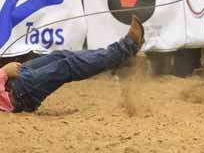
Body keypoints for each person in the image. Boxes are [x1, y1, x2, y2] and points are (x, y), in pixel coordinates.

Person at [0, 16, 144, 113]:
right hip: (15, 95)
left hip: (10, 85)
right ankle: (124, 49)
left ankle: (122, 55)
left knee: (61, 56)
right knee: (66, 65)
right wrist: (4, 72)